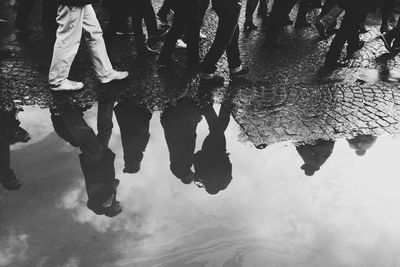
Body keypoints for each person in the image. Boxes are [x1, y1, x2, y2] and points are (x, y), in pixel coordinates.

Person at [51, 104, 122, 217]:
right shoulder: (105, 200)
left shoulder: (105, 203)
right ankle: (107, 97)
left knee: (85, 133)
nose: (119, 203)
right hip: (101, 158)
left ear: (112, 209)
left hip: (96, 159)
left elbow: (115, 183)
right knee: (105, 128)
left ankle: (64, 107)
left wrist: (112, 192)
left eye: (118, 207)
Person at [49, 0, 129, 91]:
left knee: (94, 33)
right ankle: (57, 80)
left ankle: (105, 72)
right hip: (72, 3)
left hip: (80, 2)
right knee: (68, 39)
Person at [200, 0, 249, 86]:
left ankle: (235, 65)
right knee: (224, 37)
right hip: (229, 4)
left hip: (225, 4)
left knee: (233, 30)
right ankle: (207, 71)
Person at [323, 0, 375, 70]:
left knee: (352, 25)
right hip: (358, 5)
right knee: (344, 31)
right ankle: (331, 59)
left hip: (355, 5)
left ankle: (353, 44)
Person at [161, 97, 202, 184]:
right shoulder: (181, 167)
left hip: (182, 132)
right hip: (177, 131)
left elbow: (191, 153)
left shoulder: (182, 167)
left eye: (191, 178)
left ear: (186, 178)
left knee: (190, 112)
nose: (193, 175)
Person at [0, 110, 29, 190]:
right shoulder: (4, 170)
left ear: (5, 182)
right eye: (16, 180)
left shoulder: (3, 170)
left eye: (13, 181)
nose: (14, 177)